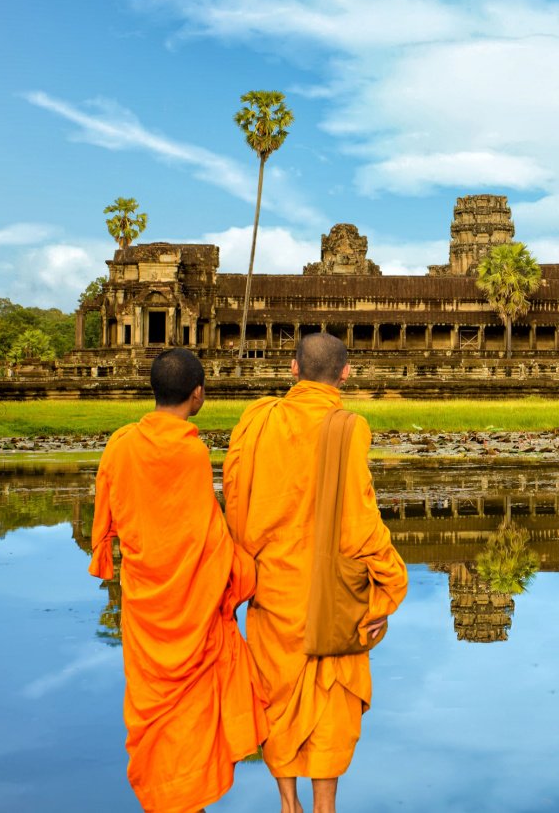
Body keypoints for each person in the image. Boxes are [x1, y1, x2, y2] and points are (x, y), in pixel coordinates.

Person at [224, 333, 408, 813]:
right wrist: (389, 588)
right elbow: (360, 523)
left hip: (272, 586)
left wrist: (244, 568)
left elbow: (236, 502)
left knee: (276, 691)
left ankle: (288, 803)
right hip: (331, 597)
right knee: (330, 695)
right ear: (345, 373)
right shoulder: (347, 427)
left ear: (292, 368)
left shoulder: (257, 422)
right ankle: (323, 806)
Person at [89, 347, 264, 812]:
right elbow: (209, 537)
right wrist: (245, 570)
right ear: (198, 393)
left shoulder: (121, 444)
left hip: (146, 604)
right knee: (190, 719)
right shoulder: (189, 452)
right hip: (192, 608)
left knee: (157, 719)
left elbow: (107, 520)